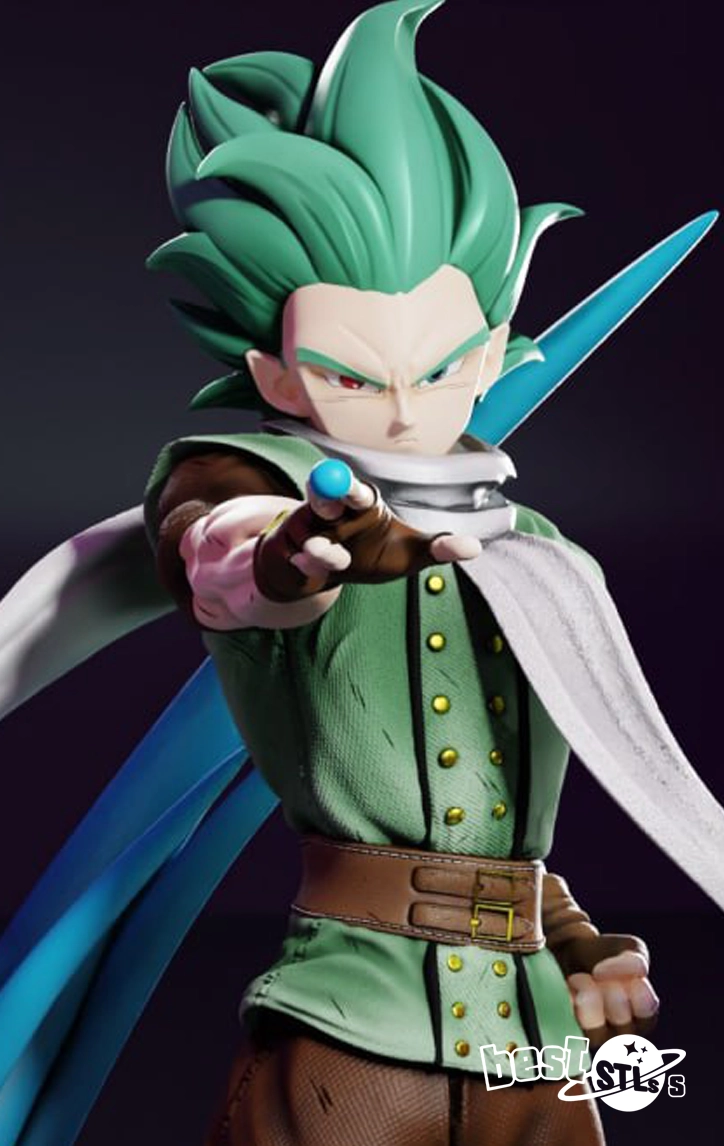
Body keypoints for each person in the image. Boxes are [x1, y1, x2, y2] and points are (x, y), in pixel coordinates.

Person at [1, 3, 721, 1145]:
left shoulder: (546, 560)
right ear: (275, 375)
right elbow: (219, 550)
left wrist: (576, 939)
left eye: (438, 368)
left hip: (527, 1042)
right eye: (349, 374)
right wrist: (294, 555)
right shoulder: (247, 479)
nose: (398, 410)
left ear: (492, 351)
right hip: (349, 1023)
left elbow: (492, 816)